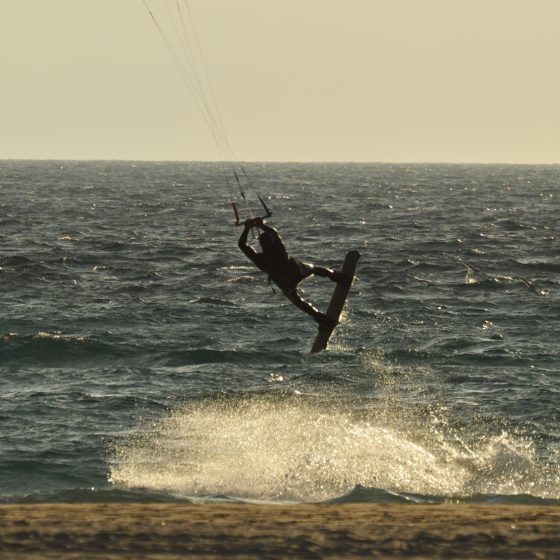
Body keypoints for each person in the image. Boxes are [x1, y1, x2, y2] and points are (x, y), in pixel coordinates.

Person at [238, 217, 350, 329]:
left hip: (285, 281)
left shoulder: (260, 259)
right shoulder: (279, 247)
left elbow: (242, 245)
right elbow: (273, 233)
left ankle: (321, 318)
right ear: (272, 240)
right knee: (315, 270)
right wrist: (262, 225)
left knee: (297, 301)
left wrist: (247, 229)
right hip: (297, 270)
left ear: (261, 245)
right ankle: (337, 277)